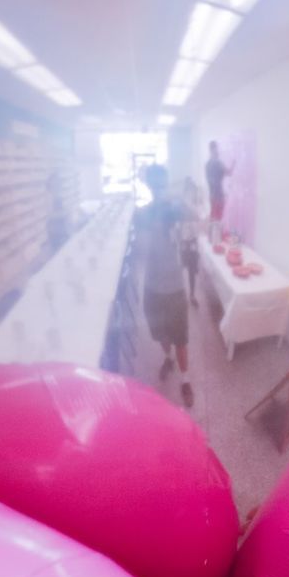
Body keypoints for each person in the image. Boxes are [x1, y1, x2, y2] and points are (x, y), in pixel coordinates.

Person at [132, 165, 193, 409]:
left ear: (166, 184)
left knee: (181, 338)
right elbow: (139, 253)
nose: (158, 189)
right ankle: (167, 359)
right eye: (154, 184)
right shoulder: (143, 214)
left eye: (162, 184)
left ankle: (185, 380)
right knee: (161, 333)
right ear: (148, 186)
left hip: (175, 286)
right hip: (153, 286)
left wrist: (179, 200)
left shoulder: (175, 209)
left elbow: (196, 217)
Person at [204, 139, 228, 234]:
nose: (218, 151)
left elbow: (210, 179)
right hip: (217, 194)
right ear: (213, 150)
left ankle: (213, 235)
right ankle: (215, 236)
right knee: (217, 216)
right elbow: (228, 172)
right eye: (216, 149)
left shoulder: (208, 163)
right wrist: (234, 162)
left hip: (213, 194)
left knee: (214, 215)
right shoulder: (216, 163)